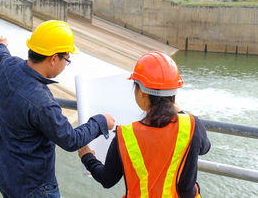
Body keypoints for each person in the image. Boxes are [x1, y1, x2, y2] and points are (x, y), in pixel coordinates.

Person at [0, 20, 115, 198]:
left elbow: (2, 55)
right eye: (67, 59)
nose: (66, 64)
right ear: (54, 58)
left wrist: (1, 45)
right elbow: (71, 139)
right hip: (35, 188)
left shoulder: (10, 68)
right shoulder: (43, 103)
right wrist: (101, 121)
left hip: (8, 177)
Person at [78, 51, 210, 198]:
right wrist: (179, 111)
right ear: (173, 93)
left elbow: (107, 179)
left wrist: (87, 157)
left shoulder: (126, 135)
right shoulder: (192, 126)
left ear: (142, 92)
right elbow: (204, 148)